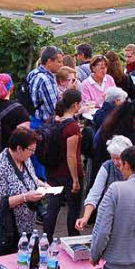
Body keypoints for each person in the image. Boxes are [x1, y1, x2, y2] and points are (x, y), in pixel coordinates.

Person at [0, 127, 45, 254]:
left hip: (25, 227)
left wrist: (43, 184)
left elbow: (30, 178)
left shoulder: (24, 159)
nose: (33, 154)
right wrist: (25, 197)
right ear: (19, 148)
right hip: (7, 229)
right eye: (31, 150)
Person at [76, 135, 135, 232]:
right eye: (112, 158)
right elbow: (94, 193)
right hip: (111, 217)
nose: (115, 162)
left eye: (118, 158)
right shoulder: (107, 166)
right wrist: (85, 217)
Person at [41, 89, 83, 238]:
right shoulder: (72, 127)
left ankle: (47, 238)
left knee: (53, 206)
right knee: (73, 209)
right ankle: (73, 239)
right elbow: (71, 156)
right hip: (67, 173)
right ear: (75, 105)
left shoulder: (52, 120)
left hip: (52, 170)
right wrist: (76, 179)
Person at [27, 46, 64, 124]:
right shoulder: (46, 80)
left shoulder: (33, 72)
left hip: (33, 120)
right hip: (44, 124)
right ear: (49, 62)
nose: (62, 65)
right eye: (59, 62)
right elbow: (54, 109)